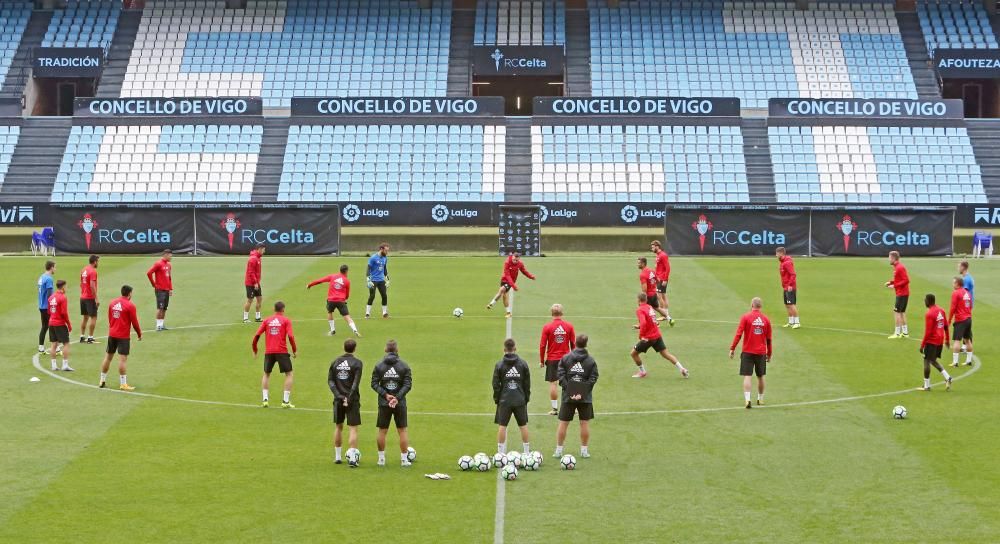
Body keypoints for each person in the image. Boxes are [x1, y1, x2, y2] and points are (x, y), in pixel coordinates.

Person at [554, 334, 598, 459]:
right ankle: (584, 451)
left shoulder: (566, 358)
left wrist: (570, 391)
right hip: (585, 398)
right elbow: (593, 378)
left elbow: (561, 375)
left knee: (563, 423)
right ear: (586, 344)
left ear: (575, 343)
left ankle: (558, 450)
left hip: (568, 397)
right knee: (584, 423)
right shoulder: (590, 360)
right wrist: (581, 393)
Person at [371, 339, 413, 467]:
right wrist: (397, 398)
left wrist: (385, 395)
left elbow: (373, 383)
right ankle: (404, 460)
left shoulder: (379, 365)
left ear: (385, 350)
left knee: (382, 431)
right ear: (397, 350)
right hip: (399, 403)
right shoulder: (404, 366)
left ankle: (381, 459)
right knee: (402, 431)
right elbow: (408, 385)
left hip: (384, 403)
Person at [630, 292, 688, 379]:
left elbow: (644, 323)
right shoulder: (649, 307)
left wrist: (641, 335)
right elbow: (653, 322)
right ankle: (682, 369)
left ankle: (642, 372)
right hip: (657, 335)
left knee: (633, 354)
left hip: (648, 338)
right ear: (646, 300)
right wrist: (639, 326)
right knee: (665, 354)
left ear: (638, 300)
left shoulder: (640, 310)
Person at [729, 297, 773, 409]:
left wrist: (732, 348)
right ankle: (760, 399)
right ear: (760, 306)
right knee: (760, 376)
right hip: (761, 352)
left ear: (751, 305)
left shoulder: (746, 317)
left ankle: (748, 400)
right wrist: (769, 354)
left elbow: (738, 334)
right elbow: (769, 339)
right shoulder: (766, 320)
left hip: (748, 351)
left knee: (747, 376)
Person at [252, 301, 298, 408]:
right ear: (283, 310)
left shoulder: (267, 320)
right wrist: (294, 350)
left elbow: (257, 335)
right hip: (282, 351)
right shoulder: (286, 320)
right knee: (289, 374)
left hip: (269, 352)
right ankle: (285, 401)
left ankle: (265, 400)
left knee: (266, 374)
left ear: (274, 309)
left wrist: (255, 349)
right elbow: (291, 336)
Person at [100, 285, 142, 391]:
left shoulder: (112, 303)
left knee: (108, 358)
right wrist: (139, 333)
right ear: (129, 294)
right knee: (122, 360)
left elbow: (110, 317)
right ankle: (123, 384)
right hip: (123, 336)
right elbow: (135, 322)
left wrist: (113, 327)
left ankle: (102, 380)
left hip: (112, 334)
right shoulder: (130, 305)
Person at [493, 338, 532, 456]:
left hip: (504, 400)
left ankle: (500, 453)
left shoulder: (499, 364)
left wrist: (497, 399)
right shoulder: (523, 364)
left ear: (504, 349)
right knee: (523, 425)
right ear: (515, 348)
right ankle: (526, 453)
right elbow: (527, 384)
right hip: (520, 399)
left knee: (502, 425)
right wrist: (526, 398)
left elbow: (495, 384)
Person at [329, 339, 364, 465]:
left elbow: (331, 381)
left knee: (338, 427)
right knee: (353, 429)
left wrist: (338, 395)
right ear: (354, 349)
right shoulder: (357, 363)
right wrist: (348, 397)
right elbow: (356, 383)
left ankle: (338, 457)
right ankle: (353, 458)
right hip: (352, 400)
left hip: (338, 400)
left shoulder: (335, 362)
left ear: (343, 347)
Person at [539, 304, 576, 416]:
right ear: (562, 313)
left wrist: (541, 360)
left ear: (552, 314)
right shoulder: (569, 326)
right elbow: (573, 344)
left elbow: (542, 345)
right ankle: (573, 408)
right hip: (566, 359)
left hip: (552, 359)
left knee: (553, 384)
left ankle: (555, 409)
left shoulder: (547, 327)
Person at [307, 264, 360, 337]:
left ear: (340, 270)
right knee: (347, 316)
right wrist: (345, 299)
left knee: (330, 312)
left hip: (331, 300)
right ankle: (355, 330)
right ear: (346, 271)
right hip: (341, 301)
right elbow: (347, 294)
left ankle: (332, 330)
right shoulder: (347, 281)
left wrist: (310, 284)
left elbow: (320, 280)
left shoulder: (332, 276)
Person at [919, 294, 953, 391]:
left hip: (932, 341)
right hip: (939, 340)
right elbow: (946, 326)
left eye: (925, 300)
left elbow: (928, 332)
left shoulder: (929, 314)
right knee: (933, 360)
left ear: (929, 301)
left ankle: (926, 386)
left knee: (926, 361)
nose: (924, 301)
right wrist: (947, 339)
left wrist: (922, 345)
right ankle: (948, 378)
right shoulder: (941, 310)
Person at [487, 252, 536, 318]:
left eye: (517, 260)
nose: (515, 261)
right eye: (514, 260)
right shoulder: (507, 263)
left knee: (502, 290)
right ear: (512, 257)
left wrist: (531, 276)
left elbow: (524, 271)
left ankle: (495, 306)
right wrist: (514, 286)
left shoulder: (520, 264)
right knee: (502, 293)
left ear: (519, 259)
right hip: (504, 279)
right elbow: (507, 275)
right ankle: (503, 309)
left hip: (511, 281)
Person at [47, 280, 73, 372]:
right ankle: (65, 365)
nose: (66, 288)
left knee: (54, 344)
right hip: (60, 323)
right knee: (66, 343)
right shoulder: (62, 297)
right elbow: (64, 313)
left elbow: (49, 311)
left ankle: (54, 366)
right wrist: (69, 324)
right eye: (66, 286)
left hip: (51, 322)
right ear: (63, 287)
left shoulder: (51, 297)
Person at [948, 276, 974, 368]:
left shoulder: (956, 293)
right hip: (968, 319)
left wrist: (949, 320)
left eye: (953, 282)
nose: (952, 284)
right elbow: (970, 306)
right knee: (967, 340)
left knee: (957, 341)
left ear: (957, 284)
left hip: (960, 320)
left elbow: (952, 308)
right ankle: (969, 361)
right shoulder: (967, 293)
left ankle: (955, 363)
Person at [146, 249, 173, 331]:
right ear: (166, 255)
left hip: (167, 290)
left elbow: (169, 278)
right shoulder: (158, 264)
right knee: (160, 308)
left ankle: (161, 324)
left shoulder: (169, 265)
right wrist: (154, 284)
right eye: (170, 256)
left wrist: (171, 288)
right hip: (160, 290)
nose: (171, 257)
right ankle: (158, 326)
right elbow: (149, 273)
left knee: (164, 308)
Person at [885, 250, 910, 339]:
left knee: (896, 312)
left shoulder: (899, 267)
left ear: (893, 258)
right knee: (902, 312)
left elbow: (906, 280)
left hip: (902, 293)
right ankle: (905, 332)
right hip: (903, 293)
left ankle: (897, 333)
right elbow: (900, 279)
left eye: (889, 257)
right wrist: (891, 282)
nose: (888, 259)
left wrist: (894, 285)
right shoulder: (897, 267)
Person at [650, 240, 675, 326]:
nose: (652, 248)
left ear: (657, 246)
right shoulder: (658, 255)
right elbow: (658, 268)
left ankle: (664, 314)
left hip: (661, 279)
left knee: (659, 295)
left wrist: (665, 279)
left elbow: (667, 268)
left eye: (653, 247)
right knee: (663, 295)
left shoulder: (663, 255)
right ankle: (666, 313)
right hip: (658, 278)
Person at [776, 247, 800, 329]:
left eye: (777, 253)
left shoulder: (787, 263)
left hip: (790, 287)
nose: (776, 255)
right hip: (785, 287)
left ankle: (797, 322)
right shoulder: (782, 262)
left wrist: (790, 285)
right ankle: (791, 322)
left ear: (781, 253)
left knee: (791, 304)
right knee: (787, 304)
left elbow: (793, 274)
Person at [79, 255, 100, 343]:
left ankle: (82, 336)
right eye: (98, 261)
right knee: (93, 317)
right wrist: (96, 298)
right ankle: (90, 338)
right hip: (89, 298)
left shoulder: (83, 270)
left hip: (83, 297)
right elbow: (92, 285)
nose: (98, 263)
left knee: (85, 318)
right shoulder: (93, 271)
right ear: (95, 262)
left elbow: (81, 283)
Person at [366, 243, 390, 319]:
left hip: (381, 280)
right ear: (381, 249)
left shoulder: (385, 258)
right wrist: (368, 280)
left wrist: (388, 279)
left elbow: (385, 269)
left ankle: (384, 313)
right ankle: (367, 313)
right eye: (386, 251)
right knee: (372, 296)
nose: (387, 252)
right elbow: (368, 269)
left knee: (384, 296)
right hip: (373, 280)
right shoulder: (373, 258)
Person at [243, 243, 265, 323]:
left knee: (259, 298)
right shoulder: (253, 259)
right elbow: (251, 272)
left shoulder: (258, 258)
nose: (264, 251)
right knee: (250, 300)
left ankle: (257, 317)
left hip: (256, 282)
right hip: (250, 283)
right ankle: (245, 318)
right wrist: (255, 282)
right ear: (259, 249)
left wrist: (257, 282)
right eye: (263, 250)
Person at [37, 260, 56, 353]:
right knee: (53, 325)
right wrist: (52, 306)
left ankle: (41, 346)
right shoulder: (49, 279)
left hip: (41, 305)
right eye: (55, 267)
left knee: (45, 326)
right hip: (46, 306)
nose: (55, 269)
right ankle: (56, 347)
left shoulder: (41, 277)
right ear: (51, 267)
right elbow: (49, 295)